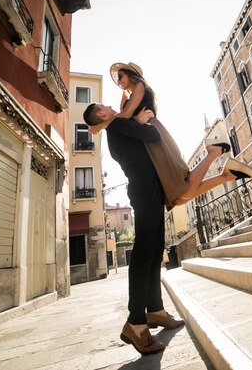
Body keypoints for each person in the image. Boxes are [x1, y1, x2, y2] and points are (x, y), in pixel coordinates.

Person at [90, 62, 252, 210]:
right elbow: (122, 117)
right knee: (176, 198)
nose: (119, 81)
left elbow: (125, 115)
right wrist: (117, 114)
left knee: (182, 187)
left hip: (154, 135)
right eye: (117, 79)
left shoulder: (140, 85)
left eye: (121, 76)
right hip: (147, 141)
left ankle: (214, 153)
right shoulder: (128, 95)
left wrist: (101, 125)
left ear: (131, 74)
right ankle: (226, 176)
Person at [83, 104, 180, 355]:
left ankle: (156, 310)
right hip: (144, 189)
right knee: (143, 253)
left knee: (154, 249)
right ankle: (135, 322)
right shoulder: (117, 124)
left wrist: (137, 120)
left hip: (150, 188)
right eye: (105, 106)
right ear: (101, 114)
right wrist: (142, 120)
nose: (110, 106)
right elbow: (153, 136)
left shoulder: (118, 126)